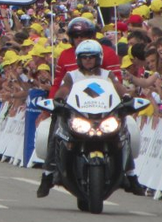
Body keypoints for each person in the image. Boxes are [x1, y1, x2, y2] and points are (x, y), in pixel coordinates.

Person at [37, 38, 144, 198]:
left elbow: (118, 86)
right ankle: (48, 174)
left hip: (104, 116)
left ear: (98, 58)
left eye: (91, 57)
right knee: (57, 130)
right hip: (79, 116)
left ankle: (130, 174)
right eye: (84, 57)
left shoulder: (107, 74)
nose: (88, 60)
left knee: (124, 130)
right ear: (79, 59)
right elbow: (64, 88)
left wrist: (127, 97)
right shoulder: (72, 75)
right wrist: (57, 99)